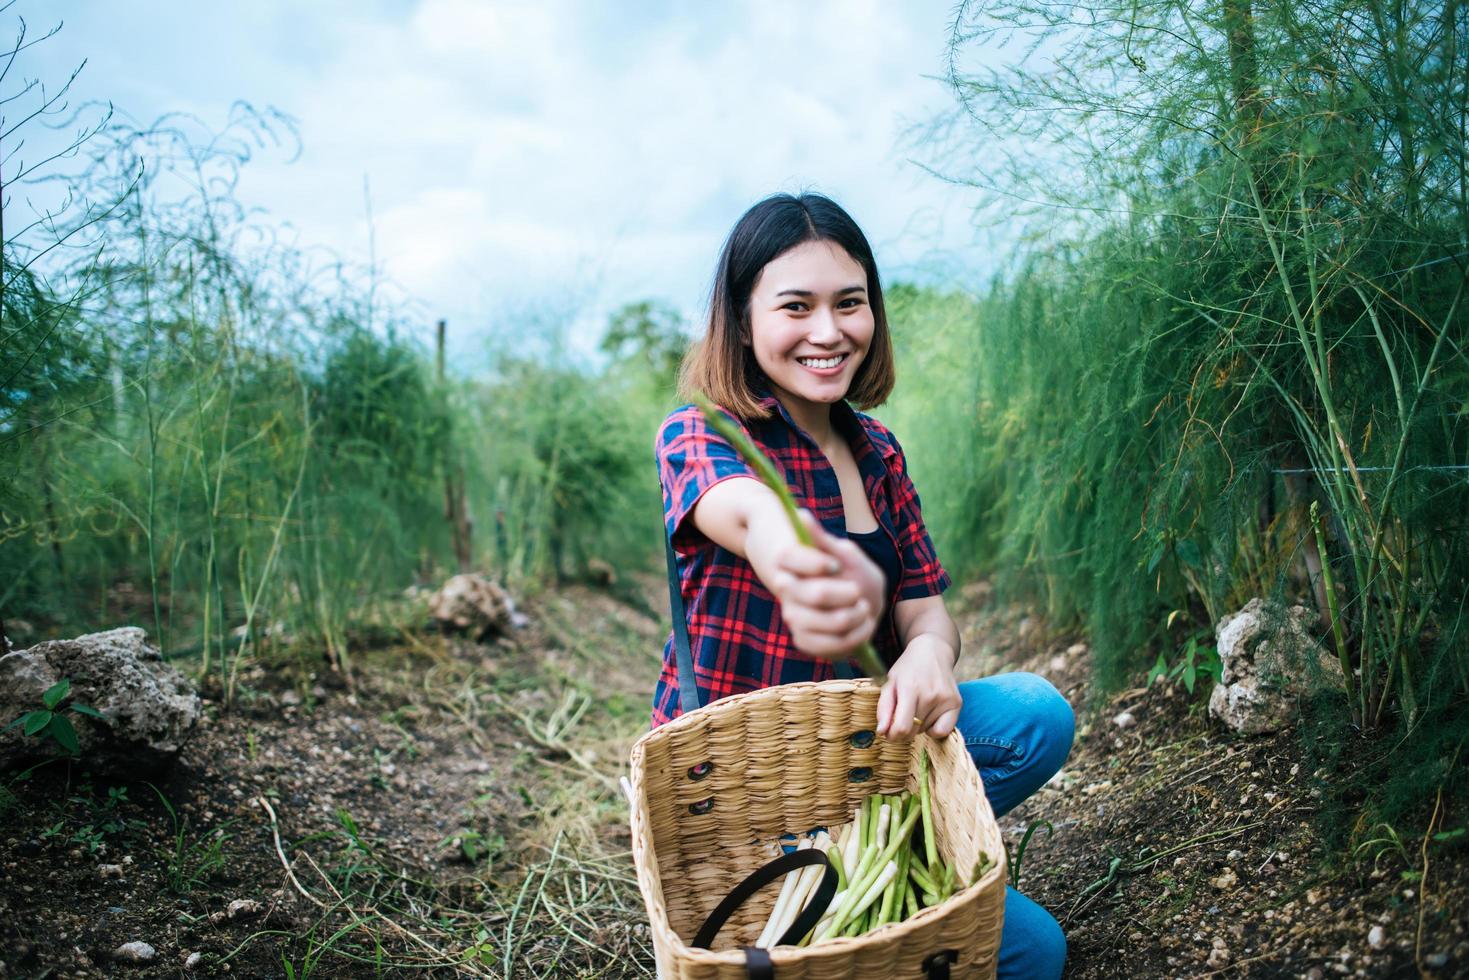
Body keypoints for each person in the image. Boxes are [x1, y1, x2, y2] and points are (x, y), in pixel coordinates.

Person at [652, 192, 1072, 979]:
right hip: (751, 788)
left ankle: (883, 876)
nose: (827, 331)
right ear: (742, 322)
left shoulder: (876, 449)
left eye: (849, 303)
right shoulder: (701, 431)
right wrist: (791, 547)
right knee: (1030, 954)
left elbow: (926, 609)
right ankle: (845, 905)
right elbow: (742, 513)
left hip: (867, 759)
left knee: (1033, 716)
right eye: (794, 307)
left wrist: (927, 658)